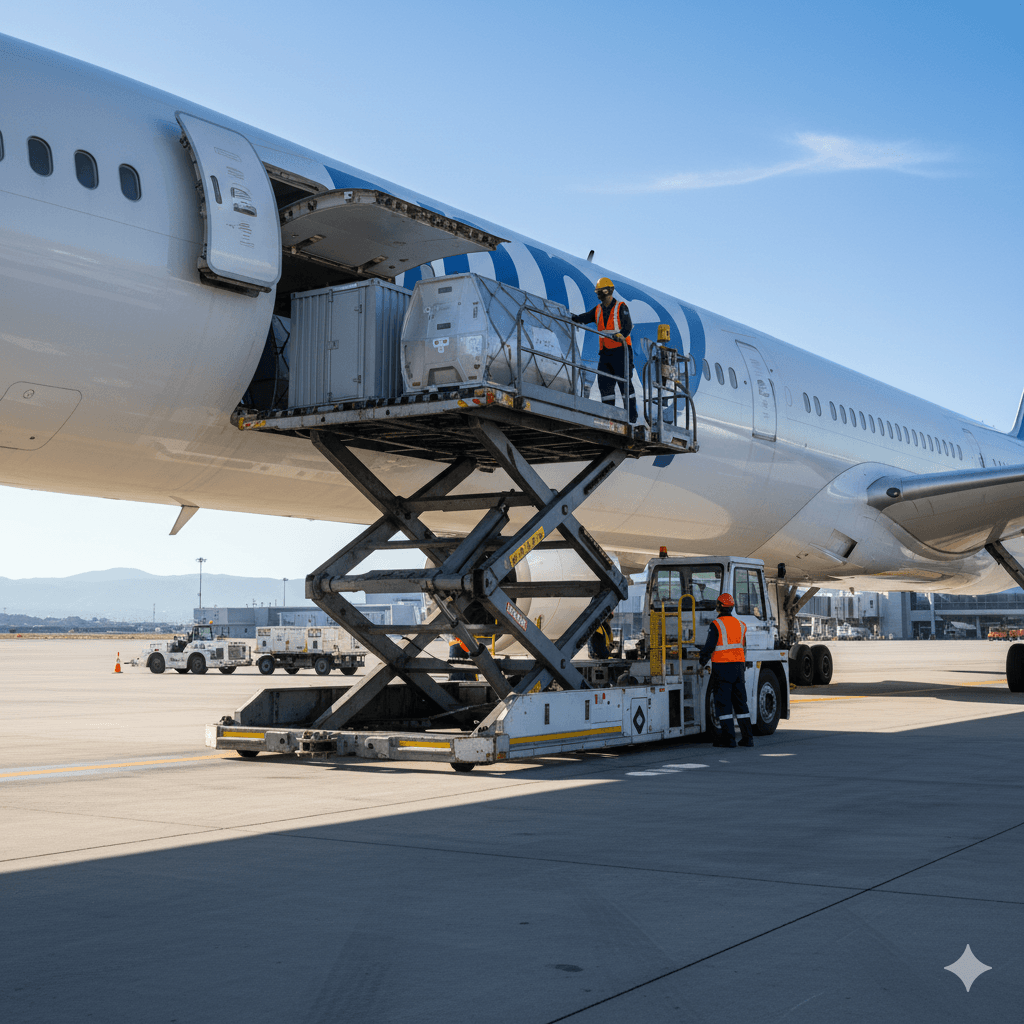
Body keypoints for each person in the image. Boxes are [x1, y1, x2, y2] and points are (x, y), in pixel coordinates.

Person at [572, 278, 637, 422]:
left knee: (624, 384)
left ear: (607, 291)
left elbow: (627, 325)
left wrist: (622, 334)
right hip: (606, 352)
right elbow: (586, 317)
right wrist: (574, 318)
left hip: (622, 351)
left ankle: (632, 417)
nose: (597, 294)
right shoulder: (598, 310)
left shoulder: (621, 307)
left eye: (599, 292)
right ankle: (609, 415)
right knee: (604, 384)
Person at [698, 593, 754, 748]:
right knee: (741, 703)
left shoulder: (716, 624)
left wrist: (702, 659)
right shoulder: (741, 625)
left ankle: (729, 739)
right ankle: (748, 738)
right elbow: (742, 646)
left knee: (724, 705)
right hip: (738, 668)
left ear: (719, 606)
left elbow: (710, 645)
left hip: (722, 668)